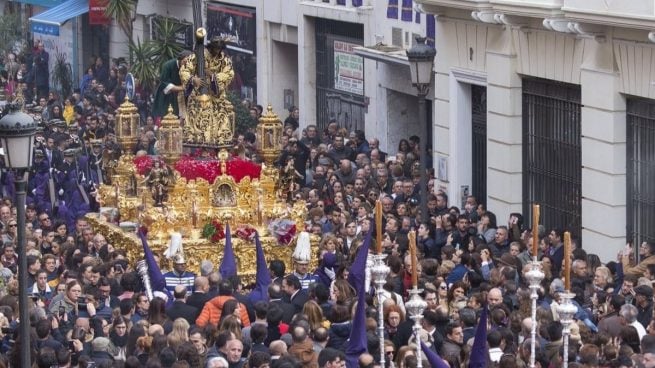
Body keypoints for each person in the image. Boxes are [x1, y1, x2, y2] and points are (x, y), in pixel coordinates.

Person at [180, 36, 234, 146]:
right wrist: (193, 79)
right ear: (211, 47)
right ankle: (194, 137)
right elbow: (184, 70)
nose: (217, 51)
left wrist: (213, 76)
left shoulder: (225, 60)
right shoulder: (198, 56)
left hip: (216, 94)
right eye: (215, 48)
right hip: (199, 92)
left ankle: (218, 138)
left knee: (219, 117)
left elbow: (229, 74)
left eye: (219, 49)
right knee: (195, 116)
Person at [152, 50, 193, 119]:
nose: (186, 65)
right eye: (184, 62)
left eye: (188, 63)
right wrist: (182, 88)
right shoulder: (168, 66)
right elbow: (164, 84)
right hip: (168, 97)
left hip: (183, 97)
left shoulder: (189, 67)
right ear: (180, 59)